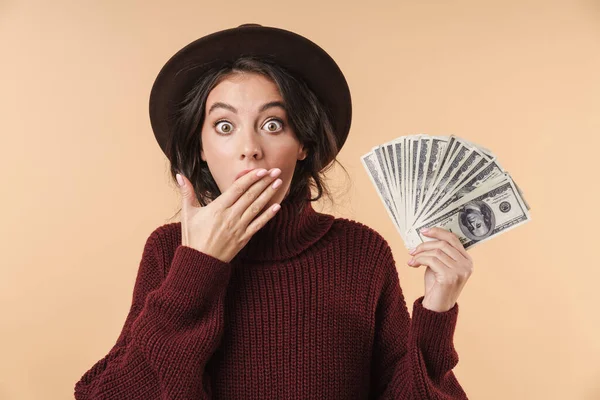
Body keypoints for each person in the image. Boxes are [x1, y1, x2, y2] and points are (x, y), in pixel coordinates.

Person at [74, 23, 473, 399]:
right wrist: (197, 267)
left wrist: (437, 312)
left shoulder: (362, 252)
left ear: (303, 145)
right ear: (200, 147)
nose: (249, 148)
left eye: (272, 124)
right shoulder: (170, 251)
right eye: (225, 126)